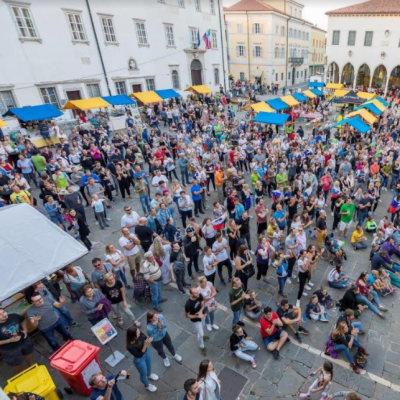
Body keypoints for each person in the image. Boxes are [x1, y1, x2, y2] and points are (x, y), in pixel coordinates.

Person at [126, 323, 159, 393]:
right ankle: (147, 385)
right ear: (132, 336)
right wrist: (146, 344)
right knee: (143, 374)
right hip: (139, 359)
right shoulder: (130, 346)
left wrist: (149, 339)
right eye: (137, 333)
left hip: (147, 352)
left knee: (149, 366)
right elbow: (139, 354)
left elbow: (145, 337)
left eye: (138, 331)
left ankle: (149, 375)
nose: (139, 332)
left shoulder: (139, 333)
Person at [0, 308, 34, 373]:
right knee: (16, 363)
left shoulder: (13, 316)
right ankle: (21, 374)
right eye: (0, 314)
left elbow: (23, 320)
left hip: (24, 341)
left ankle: (31, 366)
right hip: (10, 349)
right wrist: (9, 340)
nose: (4, 315)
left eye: (4, 312)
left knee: (28, 353)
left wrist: (25, 330)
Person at [185, 287, 208, 355]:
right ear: (192, 294)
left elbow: (203, 302)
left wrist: (201, 312)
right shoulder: (188, 304)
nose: (198, 293)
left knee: (202, 327)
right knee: (201, 334)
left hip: (202, 315)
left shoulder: (199, 295)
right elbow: (187, 316)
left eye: (198, 292)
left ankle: (200, 337)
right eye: (196, 293)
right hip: (196, 320)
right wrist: (197, 316)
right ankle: (202, 346)